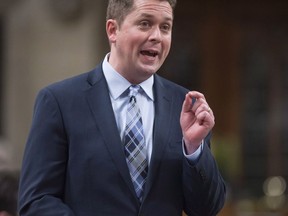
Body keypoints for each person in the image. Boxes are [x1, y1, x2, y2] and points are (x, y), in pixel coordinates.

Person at [18, 0, 226, 215]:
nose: (156, 36)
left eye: (165, 27)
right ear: (112, 30)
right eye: (145, 23)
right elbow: (37, 201)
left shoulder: (184, 104)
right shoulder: (59, 101)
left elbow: (206, 209)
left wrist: (193, 148)